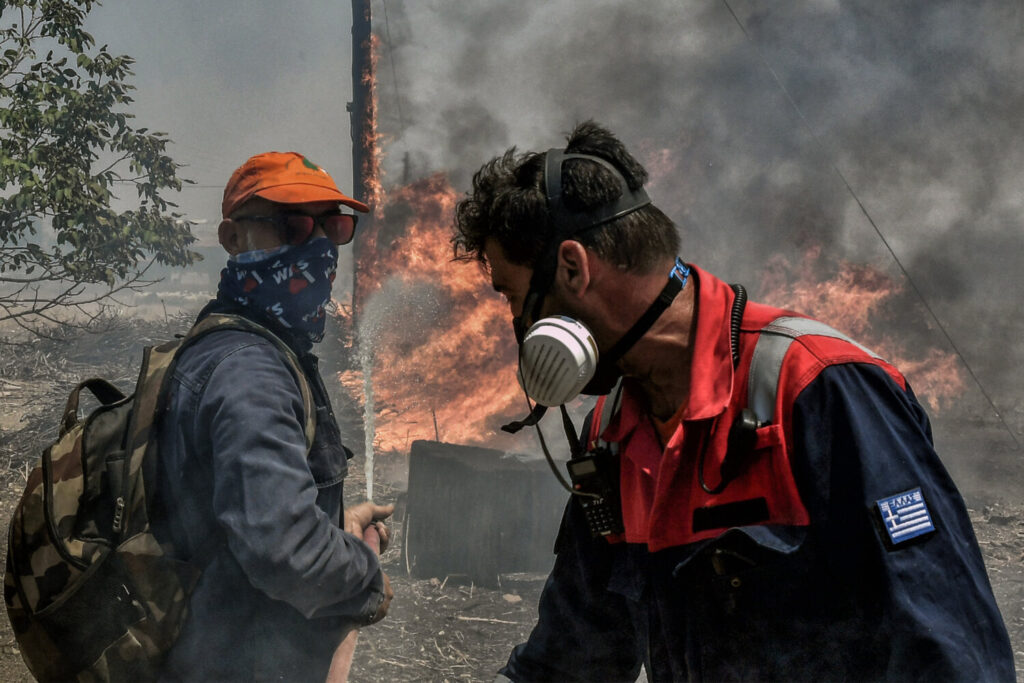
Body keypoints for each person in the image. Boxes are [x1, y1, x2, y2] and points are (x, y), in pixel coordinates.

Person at [452, 121, 1016, 681]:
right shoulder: (611, 438)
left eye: (513, 296)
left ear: (573, 268)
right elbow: (568, 661)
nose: (517, 327)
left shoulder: (817, 387)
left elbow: (952, 652)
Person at [152, 151, 393, 682]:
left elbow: (245, 513)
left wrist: (332, 527)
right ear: (232, 238)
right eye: (291, 226)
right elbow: (285, 550)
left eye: (332, 226)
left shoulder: (243, 345)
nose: (318, 248)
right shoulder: (249, 371)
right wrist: (365, 578)